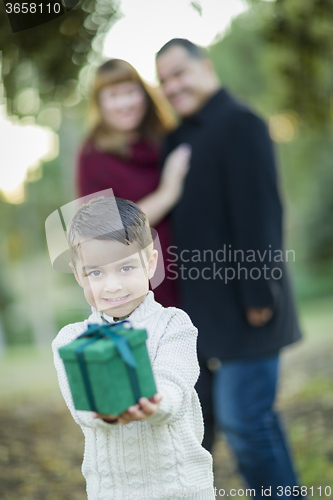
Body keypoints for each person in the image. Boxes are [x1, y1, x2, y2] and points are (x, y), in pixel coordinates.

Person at [156, 39, 303, 499]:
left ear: (206, 66)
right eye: (163, 80)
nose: (172, 86)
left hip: (251, 303)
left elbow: (261, 214)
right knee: (253, 420)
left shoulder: (242, 123)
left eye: (179, 73)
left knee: (243, 422)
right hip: (207, 312)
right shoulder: (179, 140)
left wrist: (259, 294)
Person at [52, 196, 214, 500]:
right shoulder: (70, 340)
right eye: (96, 273)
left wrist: (154, 402)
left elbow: (173, 384)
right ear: (78, 275)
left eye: (126, 268)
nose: (112, 285)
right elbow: (82, 408)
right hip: (113, 491)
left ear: (150, 263)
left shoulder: (173, 324)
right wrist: (106, 409)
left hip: (180, 486)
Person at [76, 58, 191, 308]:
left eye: (130, 92)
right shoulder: (93, 156)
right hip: (141, 284)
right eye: (114, 95)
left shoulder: (164, 139)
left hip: (191, 274)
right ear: (100, 103)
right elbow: (105, 232)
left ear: (144, 94)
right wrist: (167, 193)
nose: (125, 103)